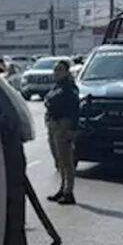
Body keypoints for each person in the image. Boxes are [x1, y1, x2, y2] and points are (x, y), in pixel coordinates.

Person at [43, 60, 80, 205]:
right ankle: (62, 188)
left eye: (59, 70)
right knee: (58, 160)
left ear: (66, 72)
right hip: (53, 124)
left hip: (64, 124)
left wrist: (73, 130)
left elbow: (75, 110)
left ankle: (68, 192)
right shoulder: (56, 86)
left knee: (66, 161)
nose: (56, 73)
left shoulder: (70, 89)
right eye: (55, 70)